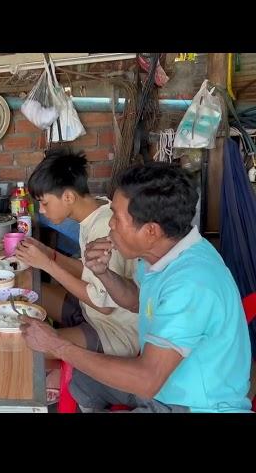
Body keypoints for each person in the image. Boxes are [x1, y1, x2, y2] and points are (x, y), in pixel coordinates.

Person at [20, 162, 253, 412]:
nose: (110, 224)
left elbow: (146, 380)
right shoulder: (160, 255)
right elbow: (136, 301)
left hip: (189, 404)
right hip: (161, 385)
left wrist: (58, 346)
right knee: (83, 382)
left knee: (72, 361)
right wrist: (104, 274)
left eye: (117, 219)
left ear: (150, 231)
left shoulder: (191, 284)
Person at [14, 148, 138, 357]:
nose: (42, 211)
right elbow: (90, 270)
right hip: (88, 312)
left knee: (27, 351)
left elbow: (104, 305)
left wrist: (46, 264)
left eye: (45, 203)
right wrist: (50, 254)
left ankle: (58, 379)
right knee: (28, 296)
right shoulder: (93, 213)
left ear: (69, 197)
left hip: (113, 329)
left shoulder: (105, 225)